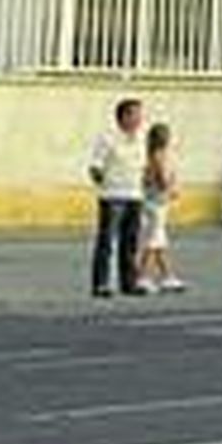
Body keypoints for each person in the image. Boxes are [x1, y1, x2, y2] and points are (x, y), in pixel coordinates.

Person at [87, 98, 147, 298]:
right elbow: (95, 166)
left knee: (130, 242)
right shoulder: (107, 138)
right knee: (106, 242)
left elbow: (144, 165)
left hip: (135, 195)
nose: (139, 119)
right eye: (134, 114)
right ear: (123, 117)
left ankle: (129, 282)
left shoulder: (141, 138)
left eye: (140, 114)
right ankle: (101, 283)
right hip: (113, 195)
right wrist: (104, 180)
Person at [137, 122, 186, 293]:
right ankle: (143, 277)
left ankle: (167, 276)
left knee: (159, 241)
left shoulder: (150, 155)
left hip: (152, 201)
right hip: (157, 203)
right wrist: (171, 189)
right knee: (153, 240)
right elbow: (162, 180)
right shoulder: (160, 156)